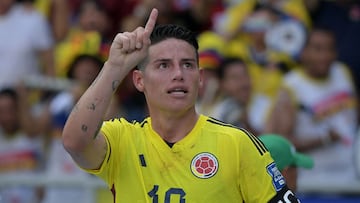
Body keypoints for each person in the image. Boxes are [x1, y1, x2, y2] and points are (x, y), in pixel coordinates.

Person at [62, 8, 300, 202]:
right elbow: (75, 142)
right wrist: (114, 66)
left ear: (200, 78)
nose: (178, 74)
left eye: (187, 65)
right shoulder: (122, 139)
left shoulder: (237, 143)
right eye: (164, 65)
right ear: (139, 80)